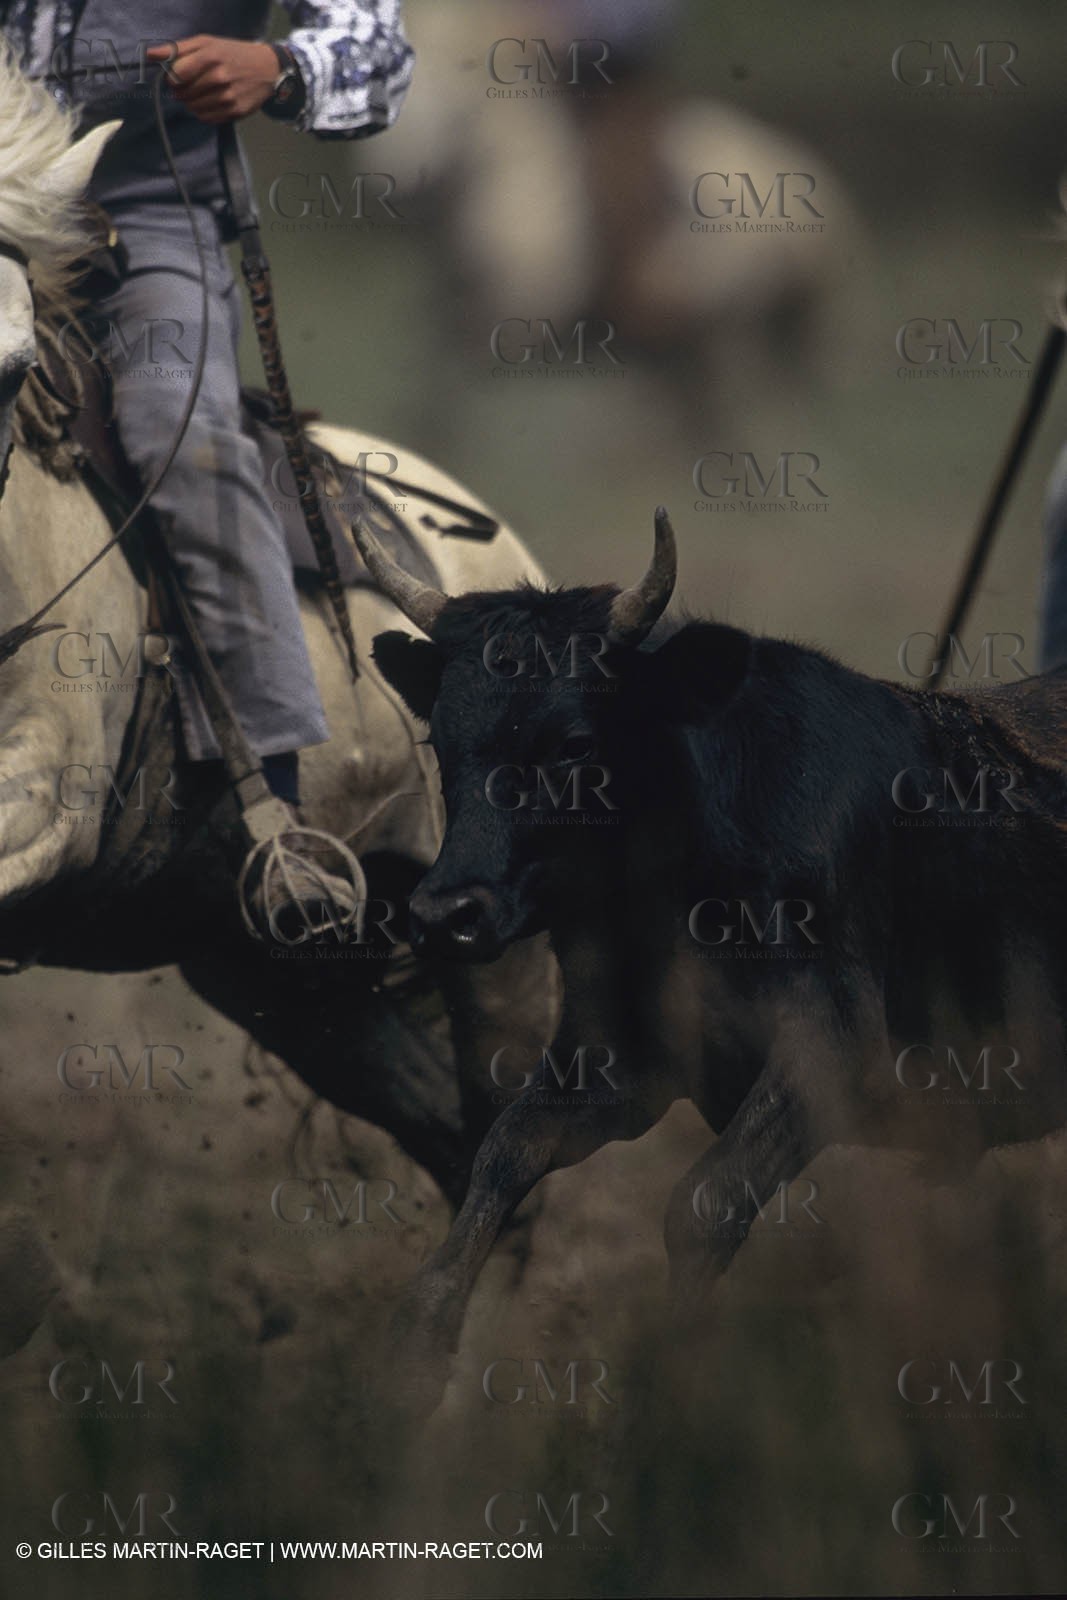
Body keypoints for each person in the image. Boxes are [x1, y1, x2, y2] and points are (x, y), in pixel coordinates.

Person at [0, 2, 414, 939]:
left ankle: (275, 808)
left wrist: (277, 68)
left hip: (140, 218)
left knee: (182, 440)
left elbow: (375, 42)